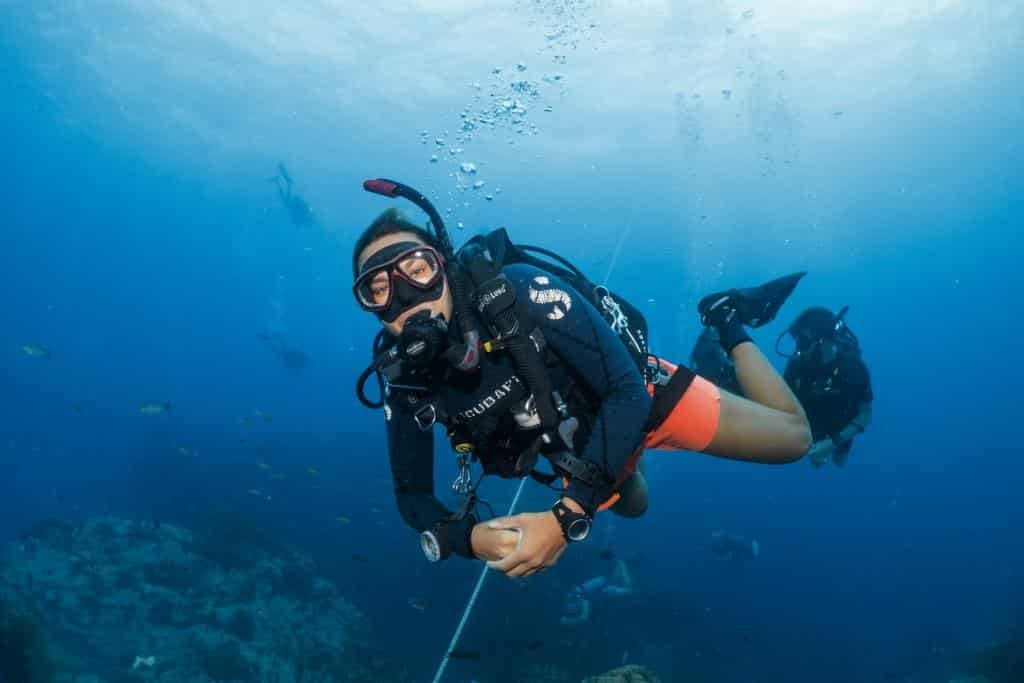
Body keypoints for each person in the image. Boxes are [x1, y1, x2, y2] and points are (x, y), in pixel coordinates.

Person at [352, 178, 811, 578]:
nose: (406, 297)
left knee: (794, 439)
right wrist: (468, 540)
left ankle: (725, 319)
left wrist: (565, 518)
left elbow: (627, 392)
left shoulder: (518, 290)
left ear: (445, 267)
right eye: (379, 290)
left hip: (638, 392)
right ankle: (624, 454)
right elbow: (411, 494)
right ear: (371, 310)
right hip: (578, 446)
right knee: (635, 505)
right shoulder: (406, 380)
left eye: (417, 270)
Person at [778, 306, 873, 467]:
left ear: (824, 338)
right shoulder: (797, 365)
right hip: (808, 428)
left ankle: (837, 452)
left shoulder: (851, 366)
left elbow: (865, 413)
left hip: (841, 429)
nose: (799, 349)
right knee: (816, 463)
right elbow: (781, 400)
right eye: (798, 342)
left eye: (804, 341)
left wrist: (833, 443)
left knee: (839, 460)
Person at [560, 558, 634, 625]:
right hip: (600, 586)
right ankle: (620, 565)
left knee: (628, 589)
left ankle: (622, 565)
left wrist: (568, 621)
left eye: (570, 608)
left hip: (603, 589)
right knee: (614, 581)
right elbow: (583, 616)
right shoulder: (575, 597)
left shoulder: (581, 600)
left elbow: (584, 618)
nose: (570, 609)